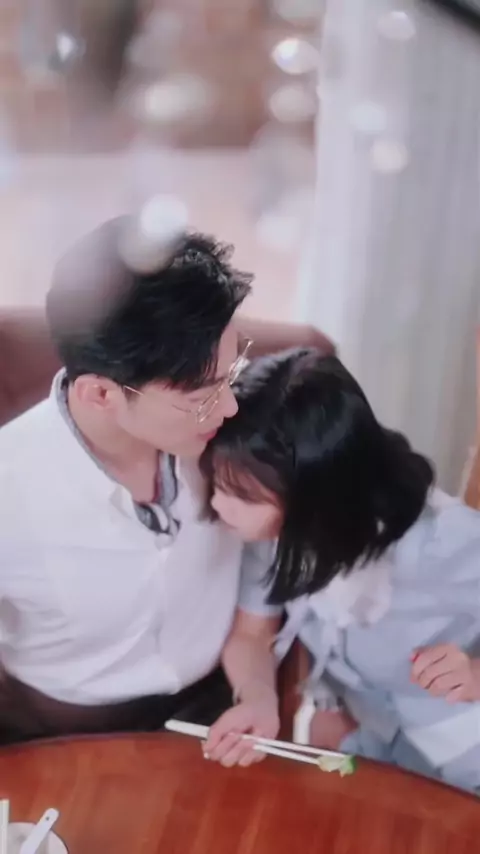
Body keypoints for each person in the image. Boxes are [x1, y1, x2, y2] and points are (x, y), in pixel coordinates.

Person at [0, 219, 334, 744]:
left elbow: (264, 566)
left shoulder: (239, 428)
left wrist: (257, 691)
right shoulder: (11, 492)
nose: (229, 407)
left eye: (231, 373)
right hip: (64, 730)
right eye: (201, 396)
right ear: (101, 395)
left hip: (218, 702)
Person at [202, 349, 480, 793]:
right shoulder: (273, 534)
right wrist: (258, 698)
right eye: (217, 482)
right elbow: (252, 633)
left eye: (244, 496)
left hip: (467, 755)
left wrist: (475, 674)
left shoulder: (444, 543)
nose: (218, 505)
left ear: (318, 495)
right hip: (375, 748)